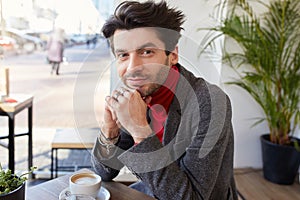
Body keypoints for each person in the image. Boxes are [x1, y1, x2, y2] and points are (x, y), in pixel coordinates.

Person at [91, 1, 238, 199]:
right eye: (123, 55)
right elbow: (104, 173)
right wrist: (110, 132)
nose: (133, 67)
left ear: (173, 55)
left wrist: (140, 131)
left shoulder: (210, 103)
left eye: (146, 52)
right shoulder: (135, 95)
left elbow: (191, 197)